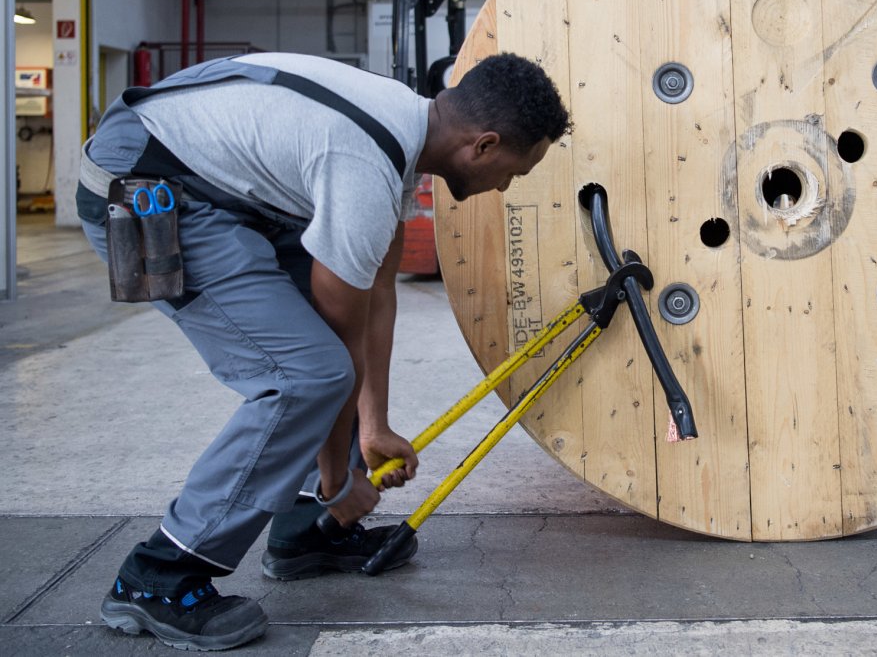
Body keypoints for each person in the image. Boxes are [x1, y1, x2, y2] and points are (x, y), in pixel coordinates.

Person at [75, 51, 569, 651]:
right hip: (148, 184)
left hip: (221, 186)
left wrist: (374, 426)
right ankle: (158, 575)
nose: (507, 186)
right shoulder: (365, 164)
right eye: (517, 171)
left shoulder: (404, 131)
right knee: (304, 374)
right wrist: (338, 481)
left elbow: (376, 294)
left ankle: (304, 530)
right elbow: (339, 339)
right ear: (484, 146)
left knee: (328, 360)